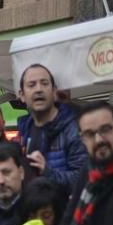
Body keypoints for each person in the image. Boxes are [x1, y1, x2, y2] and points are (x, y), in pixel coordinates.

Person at [16, 63, 87, 192]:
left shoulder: (74, 128)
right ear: (21, 95)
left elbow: (83, 179)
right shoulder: (24, 130)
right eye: (31, 85)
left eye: (44, 83)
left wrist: (47, 172)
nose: (39, 89)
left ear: (54, 92)